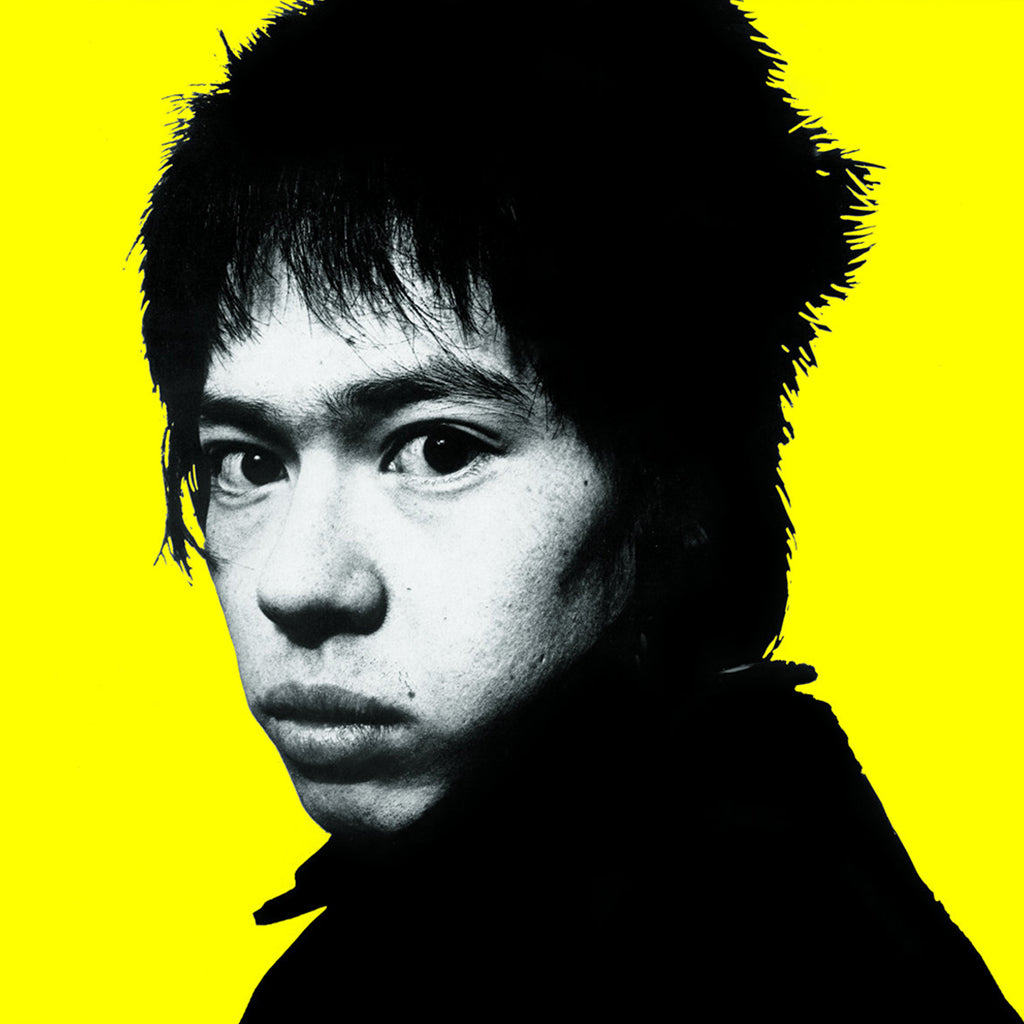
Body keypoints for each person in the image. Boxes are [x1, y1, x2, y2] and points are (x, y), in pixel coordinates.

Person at [138, 0, 1020, 1019]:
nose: (297, 585)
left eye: (439, 449)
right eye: (248, 461)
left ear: (673, 483)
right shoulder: (408, 950)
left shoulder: (755, 954)